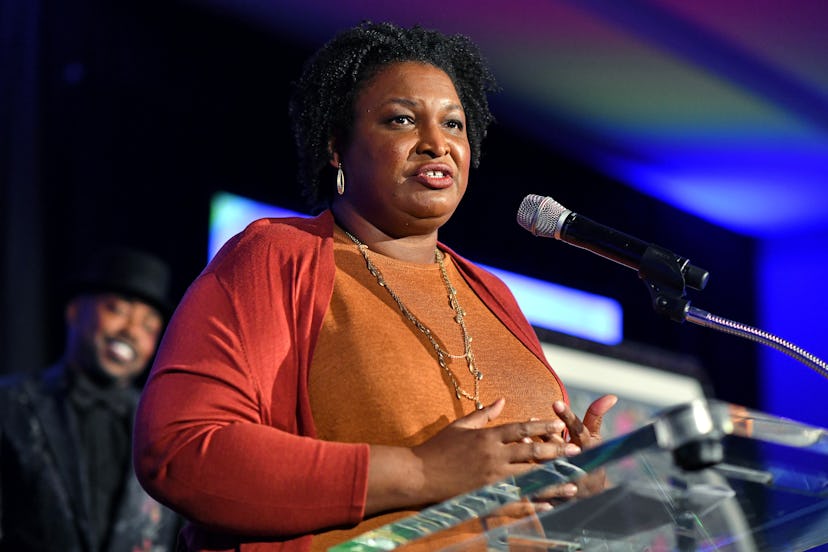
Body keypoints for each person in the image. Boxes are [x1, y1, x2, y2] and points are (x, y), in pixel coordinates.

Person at [133, 21, 617, 552]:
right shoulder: (278, 256)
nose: (437, 144)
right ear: (338, 147)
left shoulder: (493, 295)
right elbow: (182, 450)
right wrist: (418, 471)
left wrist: (582, 487)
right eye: (402, 120)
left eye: (454, 124)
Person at [0, 246, 182, 552]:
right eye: (117, 310)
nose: (131, 331)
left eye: (149, 325)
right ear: (74, 311)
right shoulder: (10, 404)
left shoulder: (165, 429)